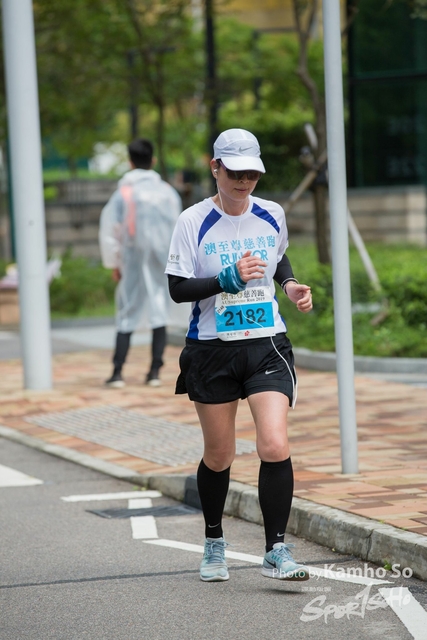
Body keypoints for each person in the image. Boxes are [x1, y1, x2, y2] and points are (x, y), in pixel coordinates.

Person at [165, 128, 313, 582]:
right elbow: (177, 288)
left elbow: (278, 256)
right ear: (216, 168)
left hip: (266, 343)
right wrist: (224, 279)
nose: (244, 181)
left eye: (252, 174)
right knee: (219, 455)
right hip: (212, 350)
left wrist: (289, 285)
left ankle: (276, 550)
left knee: (274, 444)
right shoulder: (192, 221)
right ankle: (214, 541)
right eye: (235, 173)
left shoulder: (271, 213)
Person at [99, 138, 182, 388]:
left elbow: (110, 230)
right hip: (163, 260)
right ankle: (155, 371)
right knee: (159, 310)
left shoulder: (124, 193)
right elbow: (179, 227)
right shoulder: (167, 192)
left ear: (130, 162)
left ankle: (117, 372)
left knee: (127, 312)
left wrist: (114, 263)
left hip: (131, 259)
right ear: (153, 160)